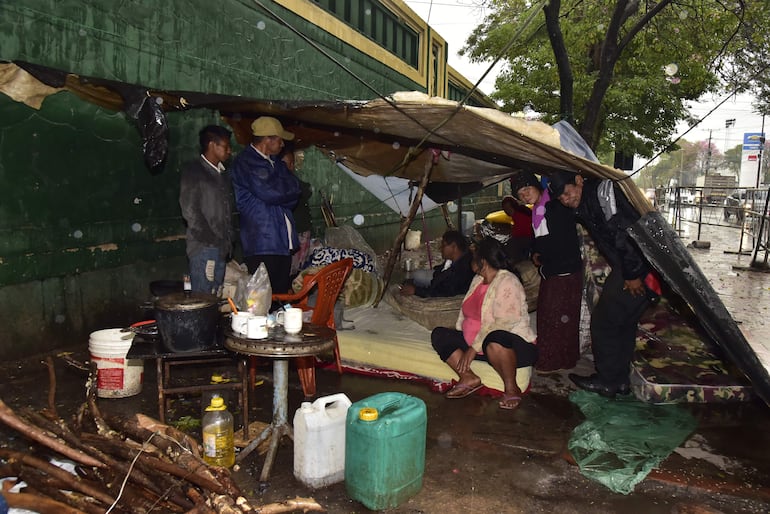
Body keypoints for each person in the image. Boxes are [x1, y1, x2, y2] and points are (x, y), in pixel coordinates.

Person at [548, 171, 660, 398]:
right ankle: (619, 381)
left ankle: (608, 380)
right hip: (637, 265)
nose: (566, 200)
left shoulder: (601, 195)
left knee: (604, 323)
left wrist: (632, 274)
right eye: (561, 198)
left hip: (634, 266)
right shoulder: (589, 201)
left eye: (568, 193)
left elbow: (625, 233)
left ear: (579, 181)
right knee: (624, 323)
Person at [430, 237, 538, 410]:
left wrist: (473, 349)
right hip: (480, 346)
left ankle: (512, 388)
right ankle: (468, 377)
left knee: (495, 338)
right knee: (440, 334)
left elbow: (504, 322)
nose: (470, 262)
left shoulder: (507, 281)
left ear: (483, 262)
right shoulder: (478, 280)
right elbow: (467, 314)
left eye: (474, 258)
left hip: (512, 348)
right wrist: (466, 340)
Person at [511, 172, 583, 372]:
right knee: (561, 316)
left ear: (537, 186)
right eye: (520, 193)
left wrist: (542, 260)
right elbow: (541, 240)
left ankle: (550, 360)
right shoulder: (539, 210)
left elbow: (560, 242)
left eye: (527, 189)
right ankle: (565, 358)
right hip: (557, 269)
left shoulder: (553, 206)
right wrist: (536, 252)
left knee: (553, 317)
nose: (525, 195)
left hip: (563, 270)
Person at [231, 117, 301, 294]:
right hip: (262, 242)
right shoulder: (246, 162)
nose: (282, 144)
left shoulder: (275, 163)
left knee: (279, 296)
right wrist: (282, 193)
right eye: (279, 139)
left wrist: (281, 193)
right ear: (267, 139)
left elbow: (296, 189)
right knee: (264, 299)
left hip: (281, 242)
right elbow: (270, 193)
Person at [179, 125, 234, 295]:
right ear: (212, 145)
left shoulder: (222, 175)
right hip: (203, 248)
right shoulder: (194, 172)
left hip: (220, 248)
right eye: (225, 146)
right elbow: (190, 211)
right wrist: (212, 240)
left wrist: (225, 241)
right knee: (203, 300)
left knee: (215, 297)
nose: (229, 151)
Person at [400, 230, 475, 298]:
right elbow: (441, 271)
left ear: (454, 247)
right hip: (439, 280)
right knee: (417, 275)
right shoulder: (457, 257)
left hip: (443, 288)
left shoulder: (462, 270)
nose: (440, 248)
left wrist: (416, 291)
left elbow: (440, 293)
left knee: (417, 277)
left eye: (444, 245)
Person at [280, 142, 313, 277]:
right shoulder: (278, 183)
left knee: (297, 269)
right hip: (288, 233)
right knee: (289, 269)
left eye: (291, 163)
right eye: (285, 164)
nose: (290, 167)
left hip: (299, 230)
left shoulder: (293, 183)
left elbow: (306, 190)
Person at [500, 194, 534, 264]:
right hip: (529, 236)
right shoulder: (521, 211)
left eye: (508, 208)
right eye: (505, 209)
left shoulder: (518, 215)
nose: (507, 211)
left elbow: (519, 232)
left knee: (510, 245)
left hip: (529, 238)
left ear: (513, 206)